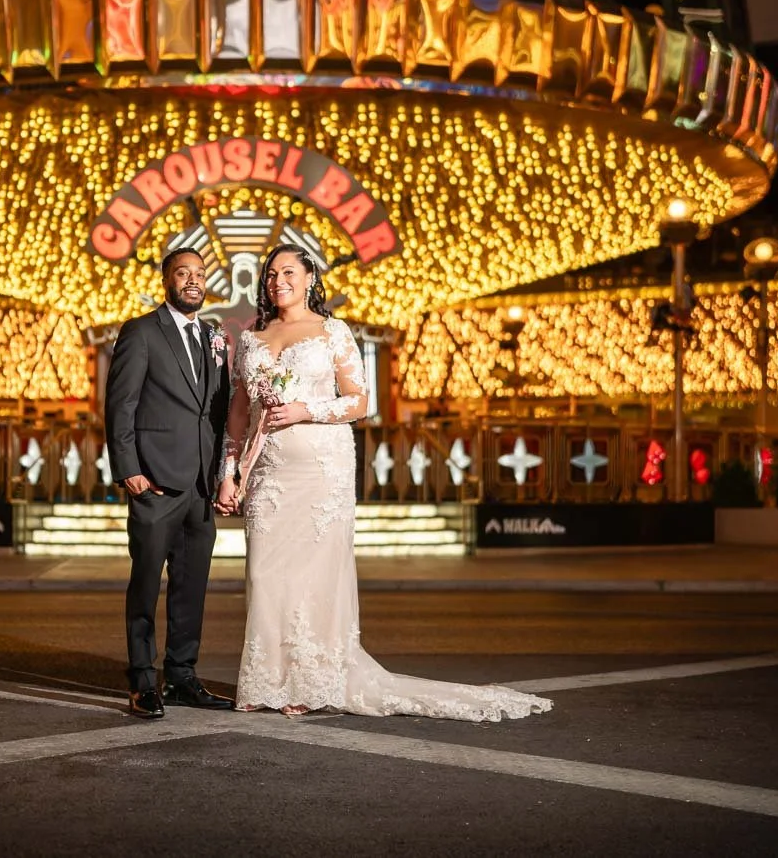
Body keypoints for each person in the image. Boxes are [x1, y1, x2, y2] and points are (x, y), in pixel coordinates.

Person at [217, 244, 552, 722]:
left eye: (289, 271)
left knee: (314, 576)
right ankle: (266, 679)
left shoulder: (333, 332)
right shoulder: (251, 338)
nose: (278, 280)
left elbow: (360, 402)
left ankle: (312, 682)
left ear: (310, 277)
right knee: (266, 574)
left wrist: (306, 409)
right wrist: (229, 471)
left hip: (321, 468)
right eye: (271, 273)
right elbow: (238, 412)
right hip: (269, 472)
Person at [105, 247, 234, 719]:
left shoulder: (213, 336)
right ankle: (142, 681)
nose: (193, 281)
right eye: (184, 273)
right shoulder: (141, 332)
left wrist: (224, 474)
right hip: (154, 483)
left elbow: (217, 413)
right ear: (167, 280)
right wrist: (130, 471)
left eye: (200, 274)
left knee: (191, 586)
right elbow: (120, 406)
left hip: (200, 486)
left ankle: (181, 676)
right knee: (145, 585)